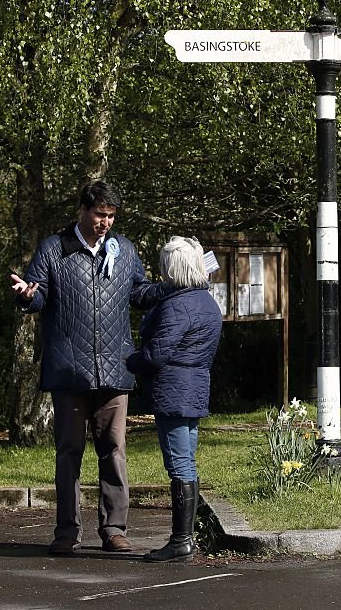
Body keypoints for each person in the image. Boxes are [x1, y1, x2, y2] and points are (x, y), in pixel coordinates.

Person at [9, 180, 157, 556]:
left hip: (114, 370)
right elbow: (37, 295)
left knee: (114, 451)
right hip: (69, 372)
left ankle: (114, 529)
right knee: (68, 452)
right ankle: (67, 532)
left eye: (110, 216)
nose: (105, 222)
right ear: (83, 210)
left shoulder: (123, 250)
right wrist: (29, 296)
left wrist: (170, 287)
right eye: (99, 214)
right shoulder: (53, 249)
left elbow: (138, 292)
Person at [126, 236, 222, 563]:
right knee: (188, 461)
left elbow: (155, 355)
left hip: (172, 391)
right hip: (196, 386)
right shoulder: (206, 302)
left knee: (179, 463)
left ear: (173, 267)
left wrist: (128, 360)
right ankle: (186, 538)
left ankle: (181, 541)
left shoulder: (176, 306)